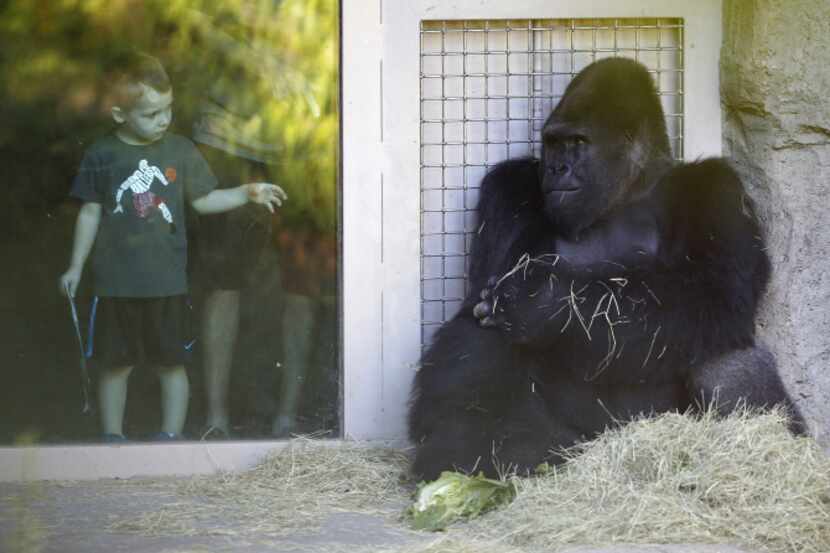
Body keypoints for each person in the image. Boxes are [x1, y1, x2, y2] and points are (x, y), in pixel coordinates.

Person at [59, 51, 287, 442]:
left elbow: (204, 200)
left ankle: (171, 441)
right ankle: (113, 439)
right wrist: (75, 267)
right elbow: (90, 213)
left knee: (172, 364)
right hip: (115, 285)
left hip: (167, 285)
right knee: (116, 366)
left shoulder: (180, 150)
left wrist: (246, 192)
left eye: (168, 109)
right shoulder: (102, 155)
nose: (163, 120)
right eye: (151, 114)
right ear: (119, 115)